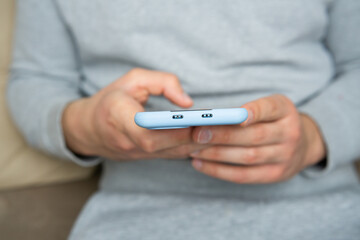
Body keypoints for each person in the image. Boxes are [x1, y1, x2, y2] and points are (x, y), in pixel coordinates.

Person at [7, 0, 360, 239]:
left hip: (322, 211)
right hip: (134, 216)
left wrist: (313, 138)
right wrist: (87, 126)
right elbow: (35, 80)